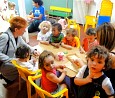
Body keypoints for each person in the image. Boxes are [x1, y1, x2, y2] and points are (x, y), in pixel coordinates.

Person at [0, 16, 39, 84]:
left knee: (27, 60)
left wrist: (34, 51)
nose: (25, 31)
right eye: (23, 29)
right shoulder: (5, 37)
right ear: (16, 29)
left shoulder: (18, 36)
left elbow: (25, 45)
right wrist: (11, 60)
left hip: (13, 61)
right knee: (27, 66)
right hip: (5, 64)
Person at [96, 22, 115, 90]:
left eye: (98, 38)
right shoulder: (111, 49)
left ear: (104, 39)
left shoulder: (110, 56)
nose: (97, 40)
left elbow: (95, 71)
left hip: (108, 88)